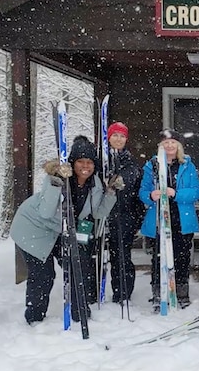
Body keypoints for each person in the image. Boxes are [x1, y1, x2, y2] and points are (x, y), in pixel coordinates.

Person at [11, 136, 120, 325]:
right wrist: (56, 182)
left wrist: (111, 192)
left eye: (89, 162)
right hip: (33, 229)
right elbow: (46, 213)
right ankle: (34, 318)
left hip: (61, 230)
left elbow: (98, 212)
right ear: (73, 162)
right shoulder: (56, 180)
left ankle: (80, 312)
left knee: (79, 266)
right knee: (43, 275)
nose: (85, 166)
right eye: (80, 161)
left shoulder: (94, 184)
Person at [139, 128, 199, 309]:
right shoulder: (152, 166)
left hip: (181, 218)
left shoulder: (187, 165)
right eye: (166, 143)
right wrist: (151, 195)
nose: (169, 146)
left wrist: (177, 193)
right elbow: (142, 191)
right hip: (159, 218)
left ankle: (181, 292)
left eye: (173, 142)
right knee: (159, 257)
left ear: (178, 145)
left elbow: (197, 191)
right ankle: (159, 292)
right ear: (160, 146)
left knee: (182, 256)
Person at [104, 122, 141, 304]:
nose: (118, 139)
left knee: (121, 255)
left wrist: (137, 218)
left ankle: (123, 292)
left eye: (122, 136)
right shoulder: (101, 160)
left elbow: (135, 190)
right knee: (101, 254)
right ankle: (94, 291)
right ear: (108, 137)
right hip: (102, 214)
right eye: (115, 135)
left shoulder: (130, 162)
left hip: (124, 214)